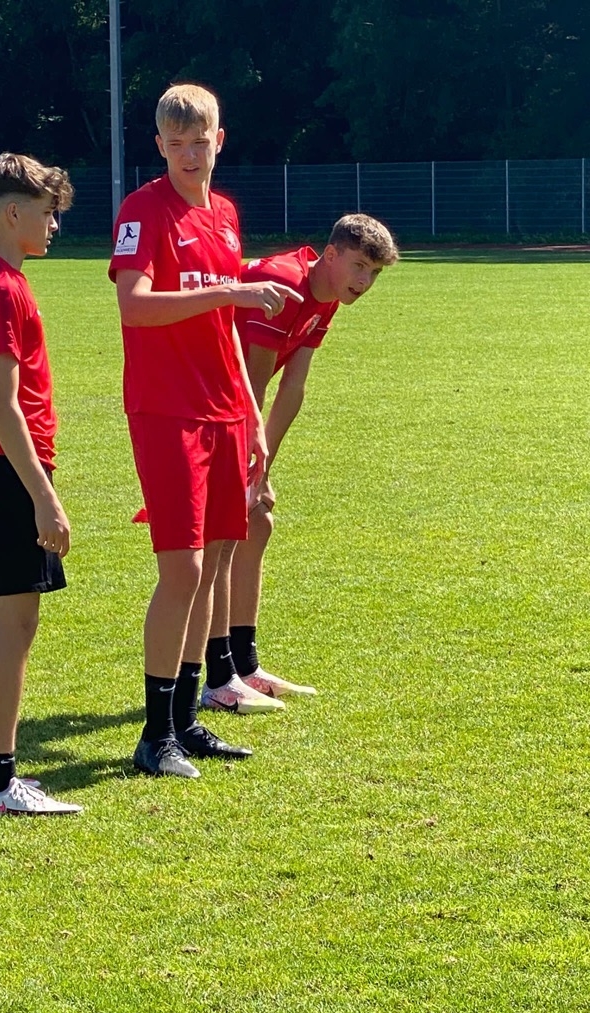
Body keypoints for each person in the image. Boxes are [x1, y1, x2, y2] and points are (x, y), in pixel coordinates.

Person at [109, 83, 303, 778]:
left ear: (219, 140)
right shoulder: (143, 209)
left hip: (224, 409)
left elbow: (223, 330)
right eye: (176, 143)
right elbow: (134, 307)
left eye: (200, 141)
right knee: (184, 568)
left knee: (217, 559)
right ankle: (153, 735)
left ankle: (186, 721)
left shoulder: (223, 213)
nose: (189, 154)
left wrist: (250, 415)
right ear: (159, 146)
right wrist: (231, 290)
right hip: (168, 409)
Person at [202, 214, 399, 709]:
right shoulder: (285, 283)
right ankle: (219, 679)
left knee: (257, 523)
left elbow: (294, 387)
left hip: (231, 410)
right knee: (225, 535)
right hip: (201, 404)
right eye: (359, 266)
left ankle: (245, 666)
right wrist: (248, 466)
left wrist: (261, 470)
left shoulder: (326, 294)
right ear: (330, 254)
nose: (365, 281)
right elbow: (255, 379)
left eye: (374, 273)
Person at [0, 152, 83, 815]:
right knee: (14, 622)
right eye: (47, 213)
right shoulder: (2, 286)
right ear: (12, 213)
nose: (55, 225)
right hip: (8, 467)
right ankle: (1, 783)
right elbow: (3, 404)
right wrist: (44, 496)